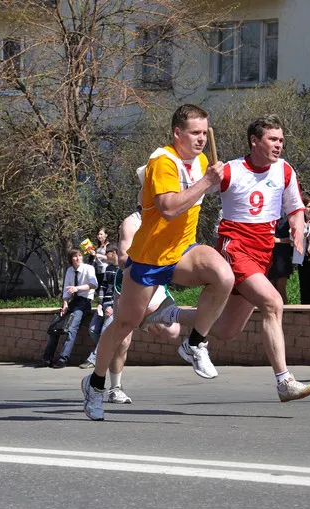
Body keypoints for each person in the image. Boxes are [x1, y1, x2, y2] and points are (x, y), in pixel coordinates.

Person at [141, 115, 310, 404]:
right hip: (235, 248)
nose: (278, 145)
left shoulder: (285, 170)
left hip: (263, 254)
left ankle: (168, 314)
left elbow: (294, 206)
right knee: (273, 303)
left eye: (281, 140)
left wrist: (297, 225)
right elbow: (190, 191)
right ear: (255, 141)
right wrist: (163, 188)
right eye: (272, 139)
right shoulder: (231, 171)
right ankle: (284, 381)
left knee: (225, 330)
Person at [81, 104, 235, 421]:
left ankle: (195, 343)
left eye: (204, 132)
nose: (201, 139)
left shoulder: (203, 161)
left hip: (182, 251)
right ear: (177, 133)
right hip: (148, 258)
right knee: (125, 325)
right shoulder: (162, 161)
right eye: (195, 133)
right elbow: (168, 208)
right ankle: (95, 385)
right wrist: (207, 182)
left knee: (223, 276)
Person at [80, 206, 182, 405]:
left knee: (172, 331)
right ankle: (114, 388)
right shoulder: (132, 221)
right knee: (123, 339)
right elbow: (122, 259)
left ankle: (142, 320)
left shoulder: (170, 214)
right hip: (131, 277)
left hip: (155, 278)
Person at [37, 248, 98, 369]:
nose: (78, 258)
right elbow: (66, 290)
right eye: (75, 256)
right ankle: (47, 358)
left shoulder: (88, 268)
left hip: (84, 301)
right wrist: (65, 303)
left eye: (80, 255)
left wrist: (78, 288)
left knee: (71, 328)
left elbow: (94, 284)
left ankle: (63, 359)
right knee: (56, 328)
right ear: (71, 259)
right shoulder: (70, 271)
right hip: (73, 302)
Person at [85, 244, 118, 360]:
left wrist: (113, 306)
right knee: (93, 329)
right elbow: (103, 286)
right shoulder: (108, 268)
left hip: (115, 306)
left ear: (113, 253)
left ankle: (94, 359)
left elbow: (123, 292)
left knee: (105, 332)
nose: (105, 256)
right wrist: (100, 302)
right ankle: (108, 351)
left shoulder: (123, 270)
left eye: (107, 253)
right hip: (104, 304)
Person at [268, 217, 293, 304]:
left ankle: (286, 315)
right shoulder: (267, 217)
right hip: (268, 256)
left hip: (282, 256)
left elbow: (293, 239)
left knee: (281, 290)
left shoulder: (287, 219)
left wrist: (278, 240)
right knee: (270, 290)